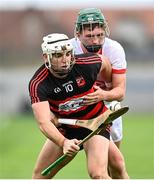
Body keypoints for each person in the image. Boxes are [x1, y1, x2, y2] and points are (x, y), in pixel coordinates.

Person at [29, 33, 114, 179]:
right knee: (40, 176)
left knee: (98, 174)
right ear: (46, 57)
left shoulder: (87, 64)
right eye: (57, 55)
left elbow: (105, 63)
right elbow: (43, 123)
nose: (65, 60)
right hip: (66, 130)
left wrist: (108, 87)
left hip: (95, 122)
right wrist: (64, 142)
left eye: (68, 54)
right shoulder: (38, 83)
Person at [70, 8, 129, 178]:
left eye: (99, 34)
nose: (95, 40)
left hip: (107, 106)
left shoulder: (114, 49)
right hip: (78, 109)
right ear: (78, 33)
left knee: (115, 165)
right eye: (89, 36)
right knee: (99, 171)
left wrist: (101, 95)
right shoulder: (69, 49)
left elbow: (120, 92)